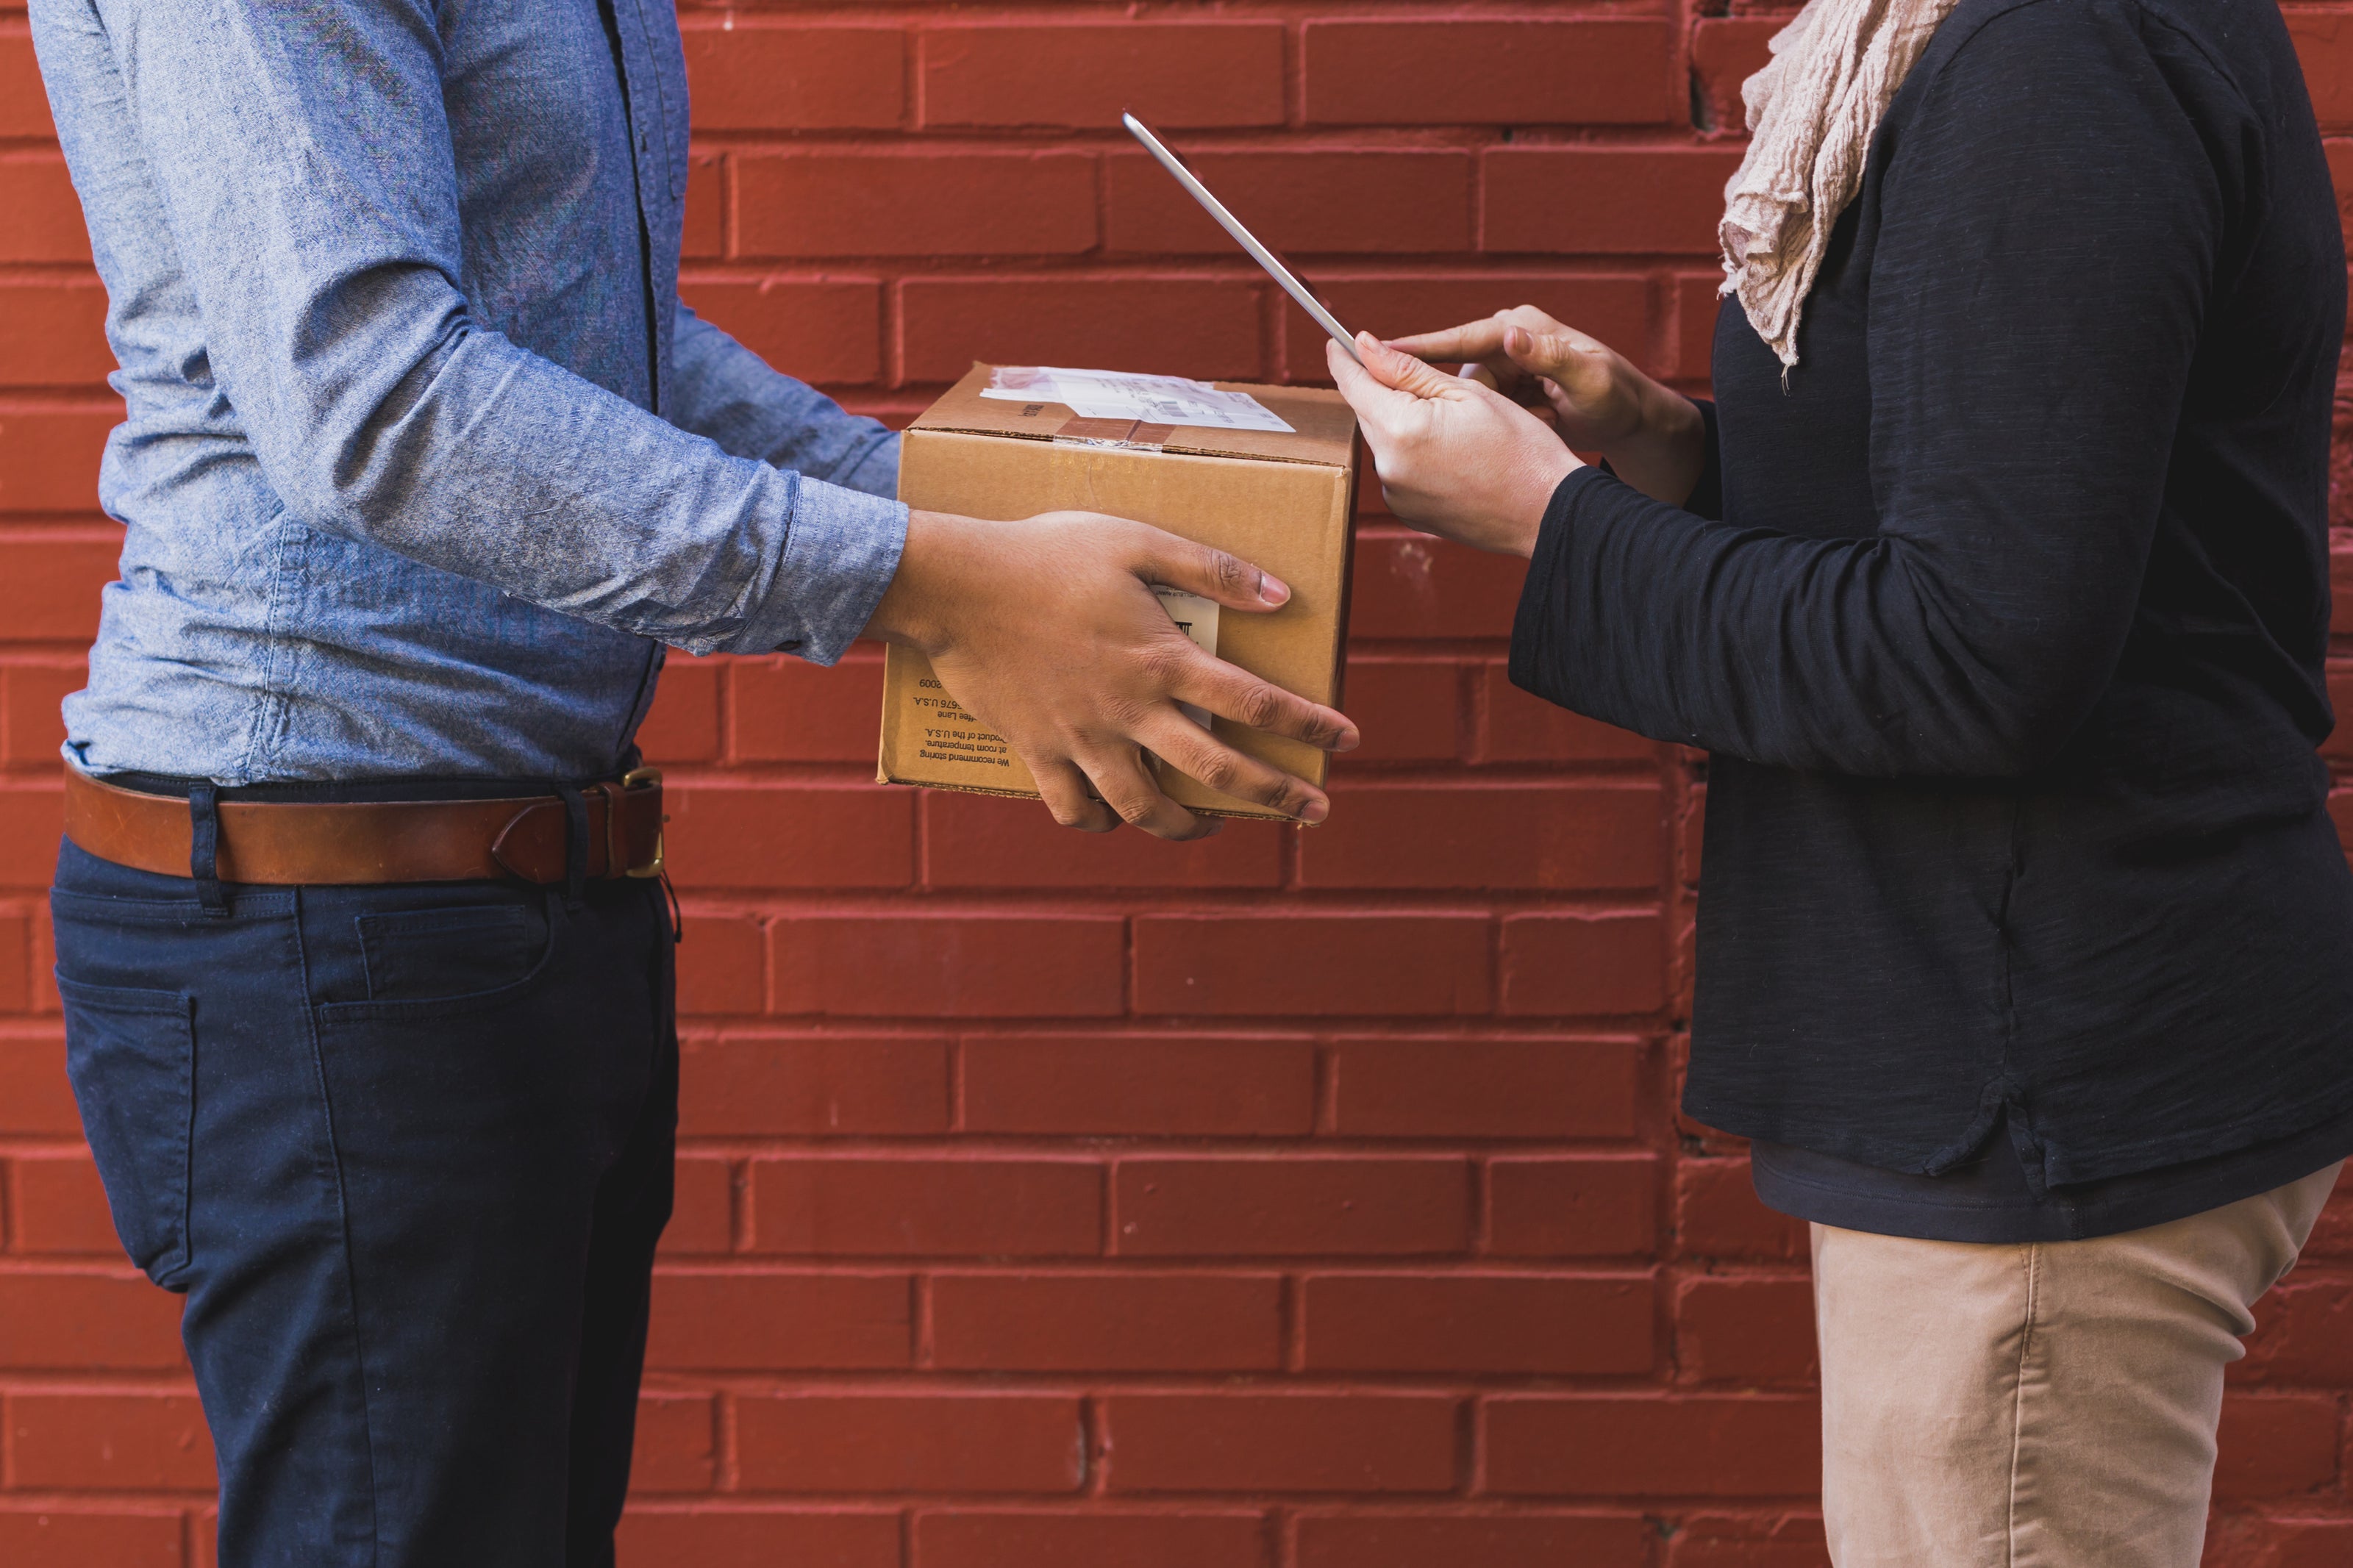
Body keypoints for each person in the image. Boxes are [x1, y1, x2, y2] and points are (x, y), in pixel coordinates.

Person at [29, 1, 1356, 1564]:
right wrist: (929, 583)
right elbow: (374, 402)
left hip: (509, 909)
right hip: (330, 916)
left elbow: (587, 333)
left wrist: (993, 529)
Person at [1324, 0, 2353, 1559]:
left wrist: (1559, 524)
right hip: (2010, 1039)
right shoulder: (1986, 44)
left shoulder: (2054, 54)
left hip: (2036, 1078)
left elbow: (1974, 660)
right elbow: (2003, 518)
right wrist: (1668, 449)